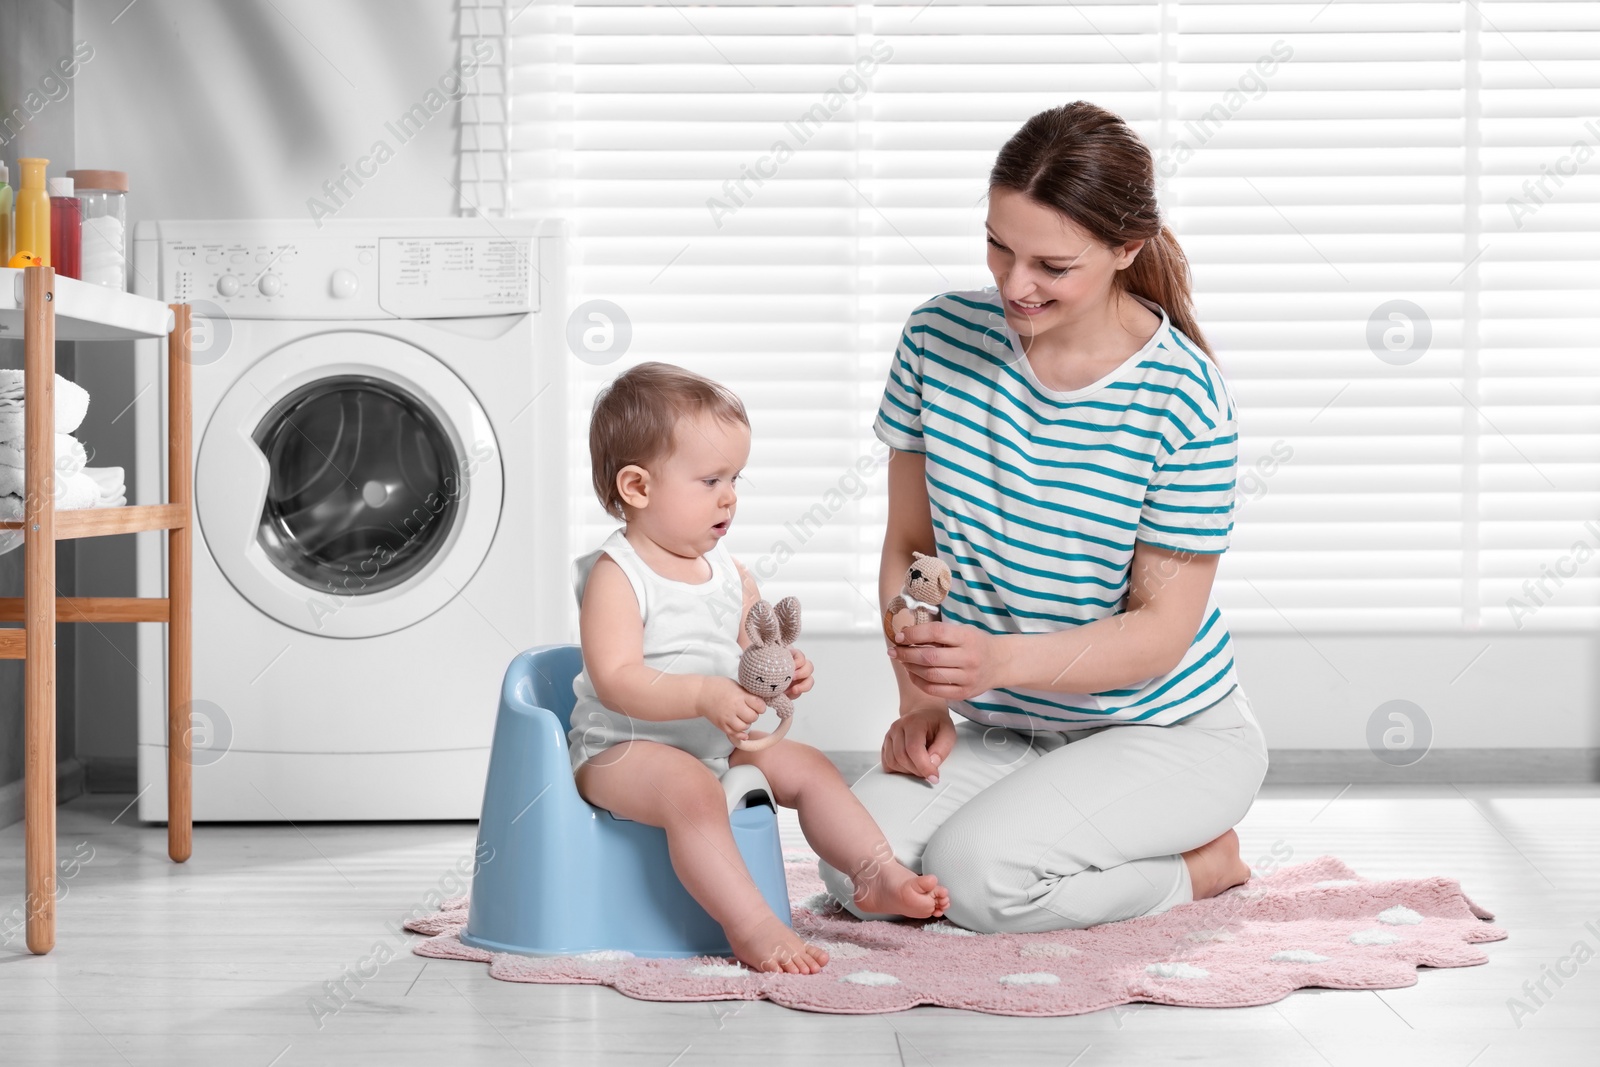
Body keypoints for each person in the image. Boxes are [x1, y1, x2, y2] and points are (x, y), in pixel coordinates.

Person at [818, 101, 1271, 933]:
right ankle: (1046, 830)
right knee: (856, 863)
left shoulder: (1184, 400)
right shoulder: (937, 339)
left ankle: (1203, 864)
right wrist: (919, 698)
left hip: (1167, 731)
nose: (1014, 285)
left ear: (1126, 249)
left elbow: (1158, 635)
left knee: (979, 879)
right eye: (998, 245)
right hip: (1013, 723)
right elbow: (916, 549)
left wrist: (996, 660)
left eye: (1052, 266)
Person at [570, 361, 950, 974]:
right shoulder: (618, 574)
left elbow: (752, 658)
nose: (730, 497)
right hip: (622, 749)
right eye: (710, 480)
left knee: (809, 766)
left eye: (736, 478)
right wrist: (701, 696)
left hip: (714, 742)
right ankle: (751, 926)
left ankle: (875, 873)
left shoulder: (729, 572)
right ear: (638, 488)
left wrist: (784, 672)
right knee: (691, 791)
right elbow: (616, 679)